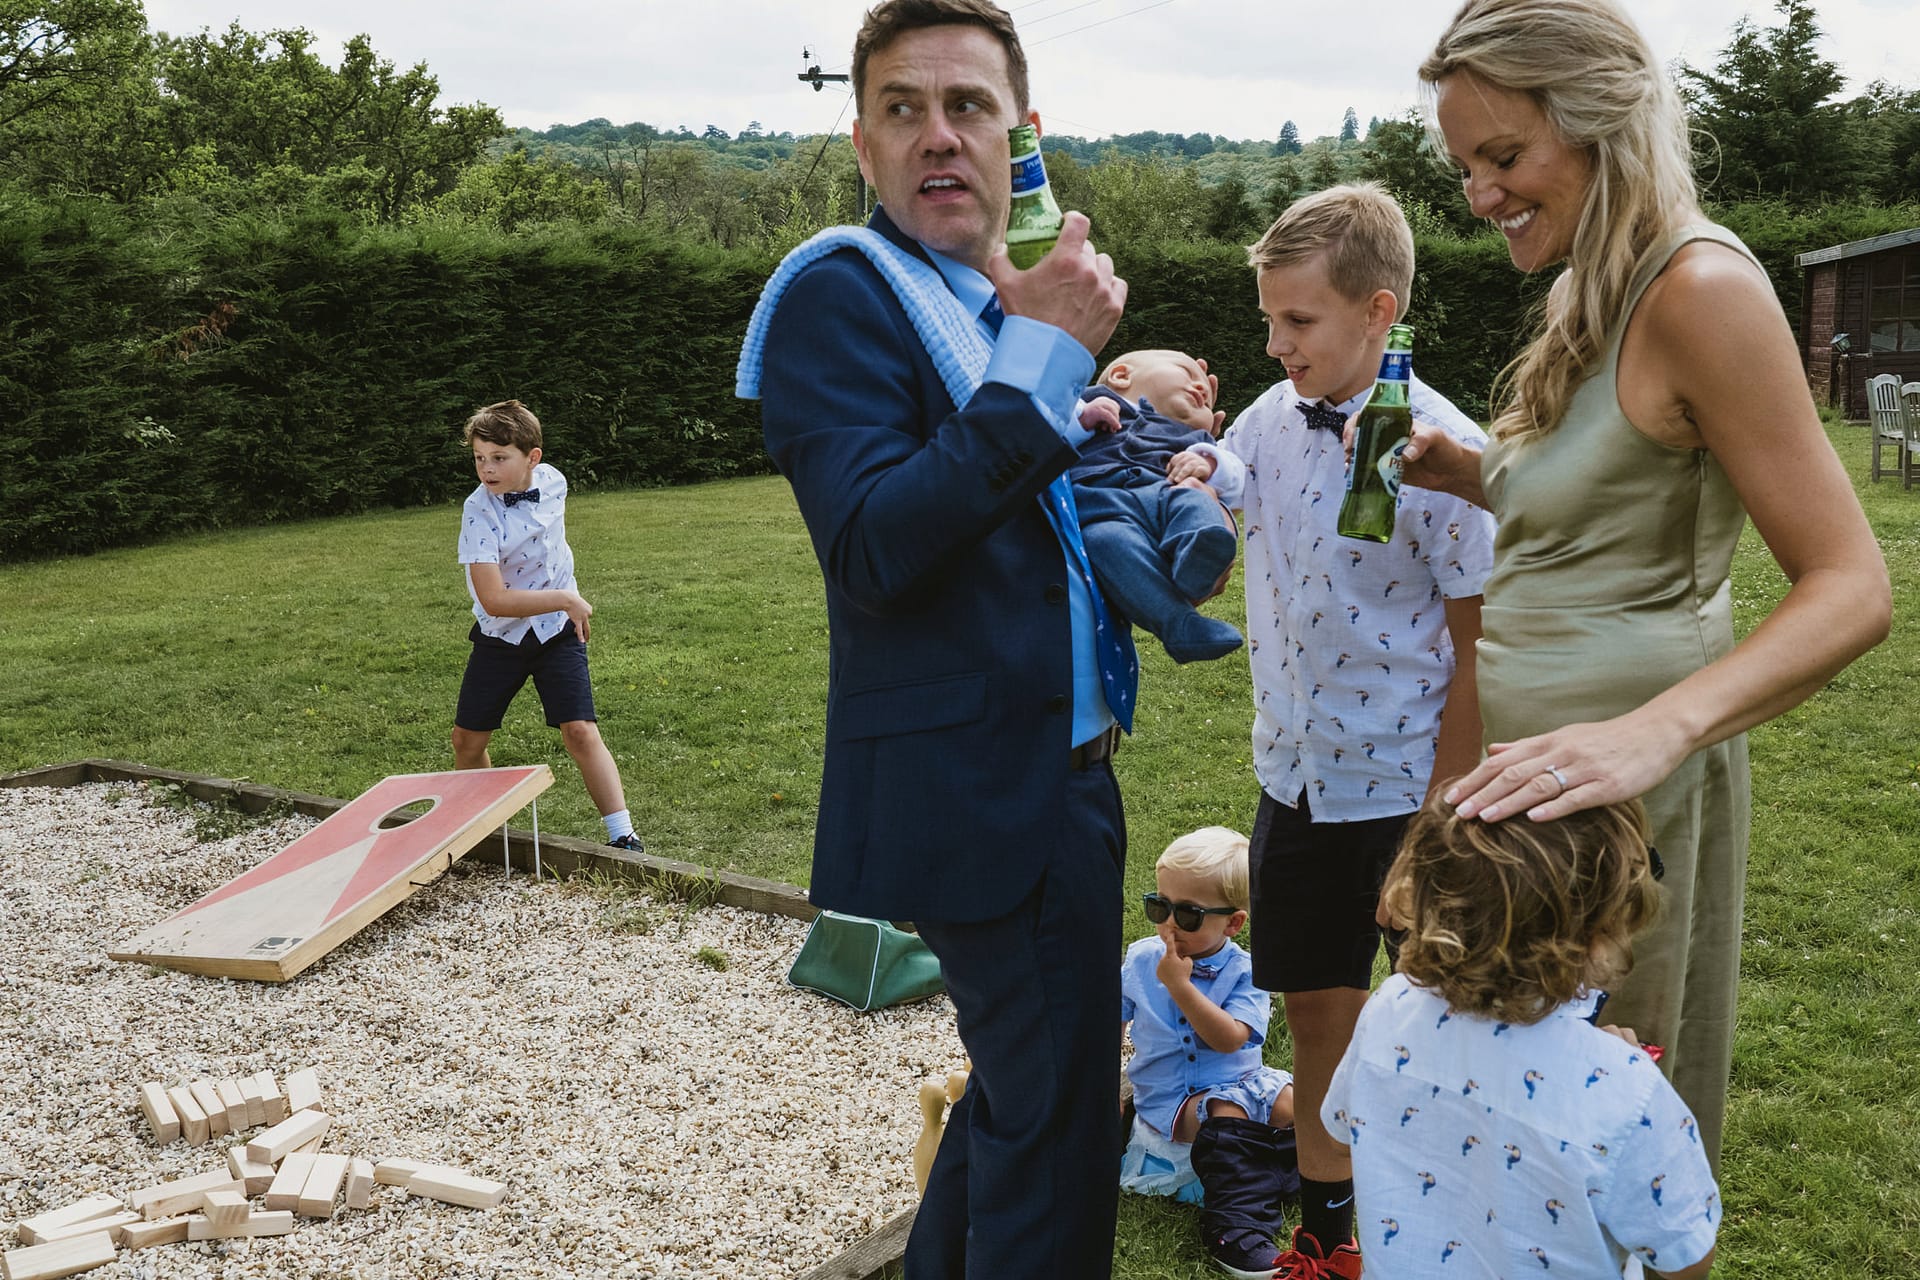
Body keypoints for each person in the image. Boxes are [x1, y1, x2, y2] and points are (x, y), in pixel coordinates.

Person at [1400, 0, 1890, 1165]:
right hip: (1529, 788)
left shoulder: (1702, 290)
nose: (1480, 194)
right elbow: (1607, 493)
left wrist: (1651, 733)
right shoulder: (1585, 286)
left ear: (1603, 125)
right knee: (1518, 1137)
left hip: (1630, 807)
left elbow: (1853, 584)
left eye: (1504, 156)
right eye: (1465, 165)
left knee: (1621, 1144)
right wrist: (1471, 472)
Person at [734, 1, 1133, 1274]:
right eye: (903, 109)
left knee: (1028, 1100)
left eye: (968, 105)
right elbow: (874, 546)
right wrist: (1046, 355)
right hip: (989, 790)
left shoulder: (976, 302)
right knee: (1057, 1135)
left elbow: (1012, 518)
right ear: (864, 145)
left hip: (1053, 776)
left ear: (1023, 136)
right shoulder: (840, 292)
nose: (938, 135)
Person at [1218, 181, 1496, 1278]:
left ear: (1380, 313)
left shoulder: (1447, 453)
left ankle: (1453, 1233)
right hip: (1296, 783)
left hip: (1408, 795)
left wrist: (1442, 817)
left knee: (1448, 1022)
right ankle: (1328, 1238)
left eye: (1299, 320)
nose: (1276, 344)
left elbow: (1480, 648)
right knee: (1319, 1017)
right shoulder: (1263, 423)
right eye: (1269, 320)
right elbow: (1212, 529)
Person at [1326, 794, 1719, 1280]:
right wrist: (1620, 1068)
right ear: (1599, 934)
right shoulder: (1626, 1089)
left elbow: (1341, 1134)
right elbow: (1686, 1257)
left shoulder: (1390, 1009)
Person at [452, 399, 643, 852]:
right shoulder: (477, 511)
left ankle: (624, 836)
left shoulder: (554, 482)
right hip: (501, 637)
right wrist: (565, 597)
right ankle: (484, 829)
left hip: (558, 631)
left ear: (532, 458)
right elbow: (494, 600)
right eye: (479, 458)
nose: (487, 469)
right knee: (467, 740)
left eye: (499, 458)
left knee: (580, 730)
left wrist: (562, 599)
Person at [1121, 826, 1299, 1278]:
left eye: (1188, 914)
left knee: (1299, 1104)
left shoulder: (1246, 971)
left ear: (1233, 923)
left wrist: (1180, 987)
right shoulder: (1141, 961)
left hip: (1244, 1082)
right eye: (1159, 906)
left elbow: (1230, 1038)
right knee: (1226, 1114)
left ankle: (1292, 1173)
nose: (1168, 924)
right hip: (1174, 1102)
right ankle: (1235, 1227)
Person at [1074, 349, 1246, 663]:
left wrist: (1209, 462)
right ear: (1121, 375)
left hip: (1163, 494)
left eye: (1208, 403)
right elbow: (1043, 426)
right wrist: (1080, 419)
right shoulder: (1088, 404)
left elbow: (1236, 476)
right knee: (1106, 542)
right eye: (1186, 372)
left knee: (1194, 498)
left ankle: (1197, 554)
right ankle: (1178, 625)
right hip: (1102, 508)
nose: (1201, 388)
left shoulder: (1194, 439)